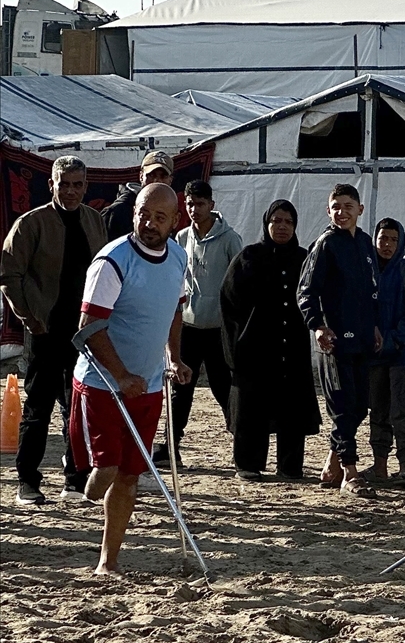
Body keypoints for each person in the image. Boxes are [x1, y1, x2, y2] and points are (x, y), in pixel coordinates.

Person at [68, 184, 191, 576]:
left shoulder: (177, 257)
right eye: (143, 213)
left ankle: (109, 561)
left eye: (159, 217)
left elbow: (174, 308)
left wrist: (174, 358)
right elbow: (89, 326)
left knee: (129, 475)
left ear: (175, 221)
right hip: (103, 384)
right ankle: (84, 488)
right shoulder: (113, 260)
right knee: (105, 472)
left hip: (150, 386)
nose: (149, 223)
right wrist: (120, 375)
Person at [0, 156, 107, 505]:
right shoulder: (32, 223)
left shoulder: (94, 222)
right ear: (52, 185)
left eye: (77, 184)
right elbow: (9, 273)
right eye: (65, 184)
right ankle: (27, 481)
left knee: (77, 406)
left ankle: (75, 479)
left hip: (82, 333)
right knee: (38, 409)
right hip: (45, 330)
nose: (71, 191)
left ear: (86, 186)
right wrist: (28, 316)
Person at [221, 200, 320, 482]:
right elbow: (228, 303)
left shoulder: (303, 259)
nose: (282, 226)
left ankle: (289, 466)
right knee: (252, 408)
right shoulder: (249, 257)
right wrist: (233, 350)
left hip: (292, 347)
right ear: (267, 223)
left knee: (292, 407)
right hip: (255, 349)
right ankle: (248, 464)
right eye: (277, 221)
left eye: (288, 222)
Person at [152, 180, 243, 467]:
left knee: (223, 387)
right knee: (181, 389)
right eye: (190, 204)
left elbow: (237, 282)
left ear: (212, 205)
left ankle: (243, 442)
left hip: (217, 328)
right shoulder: (180, 238)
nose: (195, 209)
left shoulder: (230, 239)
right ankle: (171, 446)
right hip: (188, 325)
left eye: (200, 204)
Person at [298, 184, 380, 495]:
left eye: (348, 206)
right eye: (336, 206)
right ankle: (350, 471)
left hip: (361, 337)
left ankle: (332, 462)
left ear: (359, 209)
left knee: (360, 407)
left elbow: (371, 291)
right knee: (343, 406)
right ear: (328, 210)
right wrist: (317, 326)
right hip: (334, 340)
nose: (341, 212)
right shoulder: (326, 244)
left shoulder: (364, 243)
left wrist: (373, 326)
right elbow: (306, 291)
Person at [365, 217, 405, 482]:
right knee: (377, 409)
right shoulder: (366, 272)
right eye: (382, 239)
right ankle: (379, 464)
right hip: (374, 354)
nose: (387, 245)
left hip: (403, 354)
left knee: (403, 410)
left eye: (392, 239)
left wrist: (391, 338)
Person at [100, 151, 174, 241]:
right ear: (141, 176)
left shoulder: (171, 210)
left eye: (163, 176)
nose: (157, 180)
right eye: (151, 175)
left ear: (170, 180)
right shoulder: (117, 212)